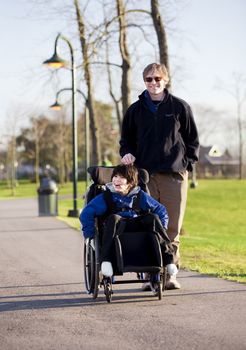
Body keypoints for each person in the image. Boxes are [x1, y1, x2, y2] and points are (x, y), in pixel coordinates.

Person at [120, 63, 199, 289]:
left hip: (174, 176)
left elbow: (192, 140)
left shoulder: (180, 107)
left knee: (172, 228)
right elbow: (126, 141)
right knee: (147, 225)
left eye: (157, 79)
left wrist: (186, 165)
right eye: (148, 79)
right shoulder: (134, 111)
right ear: (144, 81)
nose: (153, 83)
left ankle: (170, 273)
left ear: (165, 80)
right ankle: (150, 276)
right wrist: (126, 154)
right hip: (144, 177)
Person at [79, 164, 176, 292]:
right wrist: (90, 235)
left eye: (121, 178)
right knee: (113, 218)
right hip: (117, 228)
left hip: (138, 226)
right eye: (115, 176)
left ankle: (168, 259)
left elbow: (161, 210)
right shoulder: (105, 197)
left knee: (153, 218)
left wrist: (161, 228)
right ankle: (106, 261)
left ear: (130, 183)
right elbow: (86, 214)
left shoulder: (140, 195)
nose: (116, 180)